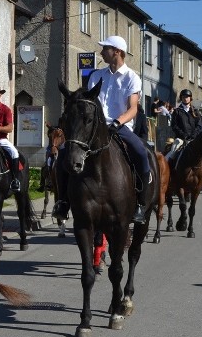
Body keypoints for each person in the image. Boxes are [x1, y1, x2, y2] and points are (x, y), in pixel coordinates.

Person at [52, 35, 150, 225]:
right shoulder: (96, 75)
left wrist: (117, 122)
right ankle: (63, 202)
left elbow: (133, 108)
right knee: (64, 152)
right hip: (93, 126)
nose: (101, 52)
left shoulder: (132, 78)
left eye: (105, 49)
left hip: (118, 126)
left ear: (117, 52)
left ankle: (141, 204)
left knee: (141, 153)